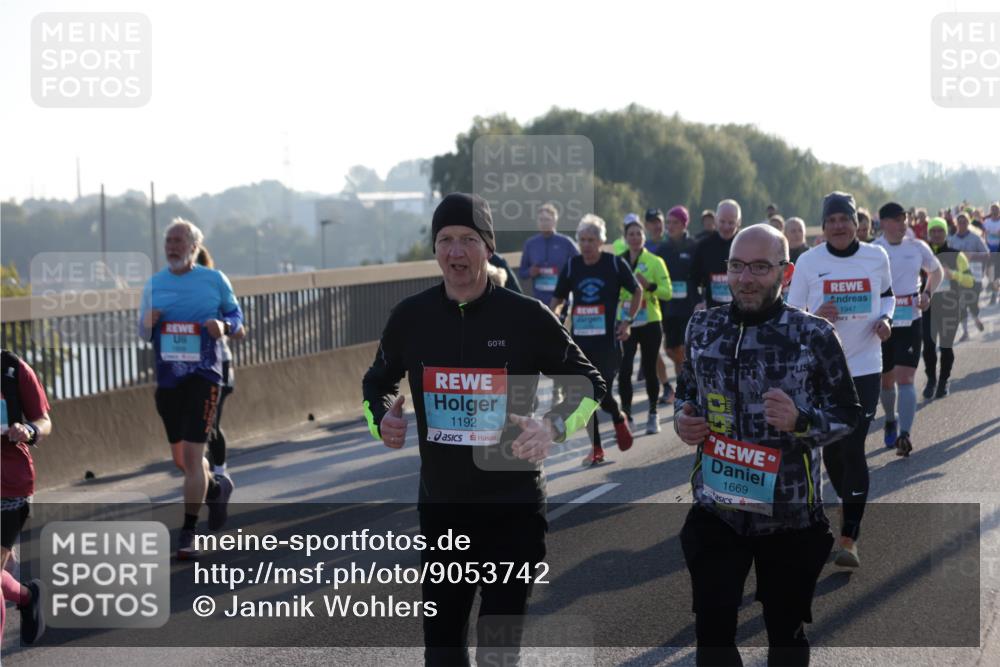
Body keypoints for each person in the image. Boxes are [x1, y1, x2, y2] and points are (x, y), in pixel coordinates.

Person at [361, 193, 605, 666]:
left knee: (497, 652)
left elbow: (589, 382)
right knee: (442, 652)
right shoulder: (411, 317)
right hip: (443, 512)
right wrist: (383, 418)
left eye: (468, 240)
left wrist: (552, 426)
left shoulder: (525, 317)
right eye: (445, 240)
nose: (456, 252)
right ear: (435, 248)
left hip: (512, 510)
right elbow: (377, 382)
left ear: (488, 248)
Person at [675, 224, 861, 667]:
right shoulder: (703, 326)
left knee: (785, 636)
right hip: (717, 512)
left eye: (760, 267)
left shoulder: (813, 334)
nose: (746, 278)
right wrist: (683, 419)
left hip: (789, 519)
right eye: (737, 266)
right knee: (713, 637)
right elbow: (686, 393)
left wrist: (802, 422)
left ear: (786, 273)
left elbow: (848, 414)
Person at [787, 191, 893, 568]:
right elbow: (792, 313)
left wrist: (886, 320)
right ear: (823, 225)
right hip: (822, 370)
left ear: (856, 223)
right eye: (830, 220)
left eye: (844, 219)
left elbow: (888, 296)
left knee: (853, 446)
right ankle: (847, 504)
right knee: (832, 450)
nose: (838, 226)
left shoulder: (876, 256)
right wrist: (816, 315)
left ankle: (849, 537)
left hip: (865, 366)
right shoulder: (809, 261)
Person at [139, 218, 243, 559]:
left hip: (205, 376)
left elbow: (239, 323)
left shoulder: (214, 280)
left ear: (194, 247)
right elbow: (142, 333)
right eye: (168, 241)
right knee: (182, 460)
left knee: (195, 456)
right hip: (169, 379)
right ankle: (214, 489)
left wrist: (223, 325)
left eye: (179, 241)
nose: (172, 247)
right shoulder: (154, 284)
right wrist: (147, 324)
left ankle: (188, 533)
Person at [552, 214, 640, 465]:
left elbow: (637, 291)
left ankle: (617, 416)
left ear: (601, 241)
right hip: (580, 344)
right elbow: (557, 298)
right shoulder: (572, 266)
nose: (586, 245)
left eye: (591, 240)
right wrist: (554, 316)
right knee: (586, 392)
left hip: (608, 344)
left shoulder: (614, 264)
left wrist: (628, 321)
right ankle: (596, 447)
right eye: (582, 240)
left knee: (598, 393)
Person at [872, 203, 942, 456]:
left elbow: (936, 271)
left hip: (911, 321)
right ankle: (890, 419)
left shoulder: (917, 246)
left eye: (905, 219)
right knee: (886, 380)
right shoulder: (873, 250)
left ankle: (905, 434)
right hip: (883, 323)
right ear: (884, 222)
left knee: (906, 378)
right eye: (898, 220)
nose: (904, 224)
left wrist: (927, 293)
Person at [1, 350, 51, 646]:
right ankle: (28, 596)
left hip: (9, 483)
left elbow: (44, 421)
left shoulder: (13, 368)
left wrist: (28, 429)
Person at [195, 247, 248, 478]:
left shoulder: (215, 289)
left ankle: (220, 474)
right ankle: (203, 473)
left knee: (211, 424)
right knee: (194, 425)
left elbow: (240, 330)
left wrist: (222, 326)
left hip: (218, 365)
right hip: (188, 368)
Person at [616, 218, 672, 434]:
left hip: (650, 320)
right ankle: (627, 416)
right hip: (625, 322)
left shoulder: (655, 261)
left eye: (638, 234)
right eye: (630, 234)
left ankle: (653, 413)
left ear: (644, 237)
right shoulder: (617, 262)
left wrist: (649, 286)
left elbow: (667, 292)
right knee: (624, 369)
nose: (635, 238)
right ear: (625, 238)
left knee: (649, 369)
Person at [922, 217, 976, 400]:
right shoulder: (923, 255)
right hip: (927, 307)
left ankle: (944, 381)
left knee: (946, 347)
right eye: (933, 231)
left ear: (946, 233)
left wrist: (953, 275)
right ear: (929, 234)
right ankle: (931, 380)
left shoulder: (956, 255)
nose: (936, 234)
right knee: (928, 347)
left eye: (940, 231)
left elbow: (970, 281)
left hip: (949, 307)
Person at [654, 205, 700, 405]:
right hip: (669, 307)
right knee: (671, 349)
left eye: (674, 223)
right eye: (669, 222)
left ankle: (686, 390)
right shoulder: (663, 249)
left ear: (684, 225)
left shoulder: (693, 246)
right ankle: (690, 378)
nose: (670, 226)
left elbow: (701, 275)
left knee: (683, 348)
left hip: (688, 307)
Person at [517, 202, 579, 307]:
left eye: (547, 220)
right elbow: (522, 273)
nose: (544, 223)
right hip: (539, 301)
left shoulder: (566, 242)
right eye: (541, 220)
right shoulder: (530, 244)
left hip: (562, 301)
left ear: (555, 221)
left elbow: (580, 265)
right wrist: (530, 271)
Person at [692, 199, 742, 310]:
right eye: (722, 222)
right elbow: (693, 279)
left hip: (742, 310)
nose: (726, 227)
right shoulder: (704, 246)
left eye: (731, 223)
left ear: (739, 222)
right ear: (715, 220)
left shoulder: (746, 245)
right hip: (712, 309)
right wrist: (697, 302)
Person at [948, 211, 989, 339]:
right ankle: (965, 332)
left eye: (964, 222)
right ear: (956, 223)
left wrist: (973, 255)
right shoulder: (952, 240)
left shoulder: (975, 238)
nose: (962, 224)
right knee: (961, 303)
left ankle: (976, 317)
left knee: (972, 301)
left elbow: (987, 254)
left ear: (968, 222)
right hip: (959, 276)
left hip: (975, 274)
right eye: (959, 222)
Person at [984, 202, 1000, 305]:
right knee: (989, 272)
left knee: (996, 273)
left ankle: (994, 295)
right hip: (989, 249)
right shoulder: (987, 221)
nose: (994, 211)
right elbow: (984, 235)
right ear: (990, 211)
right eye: (993, 209)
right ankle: (993, 287)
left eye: (996, 209)